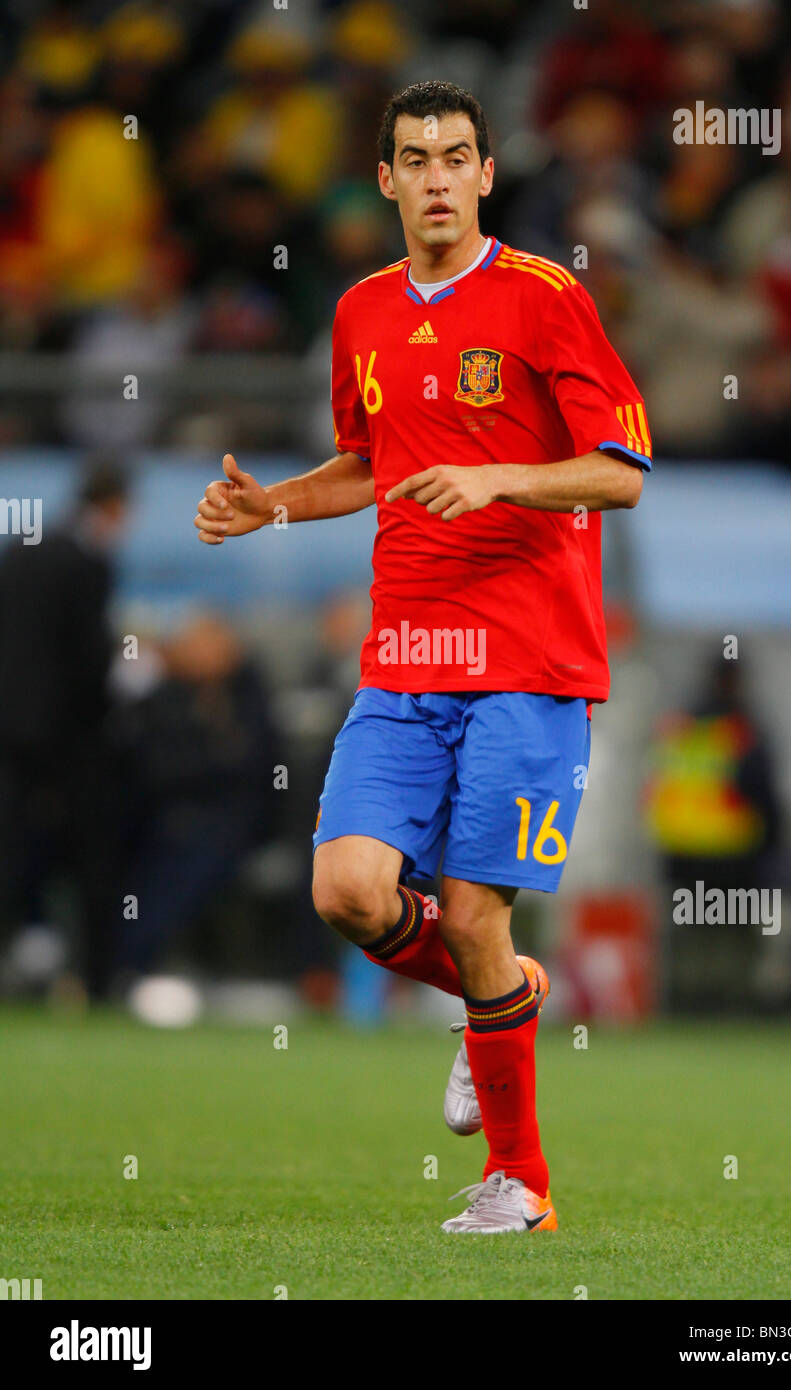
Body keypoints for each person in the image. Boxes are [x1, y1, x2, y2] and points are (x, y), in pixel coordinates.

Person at [193, 81, 650, 1234]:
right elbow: (368, 461)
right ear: (386, 180)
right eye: (414, 158)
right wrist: (276, 509)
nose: (437, 177)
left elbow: (625, 470)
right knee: (347, 890)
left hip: (530, 660)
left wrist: (505, 476)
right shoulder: (358, 313)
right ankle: (497, 1005)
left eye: (457, 156)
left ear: (487, 175)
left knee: (471, 910)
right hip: (404, 655)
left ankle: (521, 1185)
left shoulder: (547, 301)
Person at [0, 457, 129, 1000]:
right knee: (94, 857)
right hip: (68, 740)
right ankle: (96, 979)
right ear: (115, 506)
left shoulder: (18, 554)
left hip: (8, 733)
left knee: (9, 851)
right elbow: (90, 661)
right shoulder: (88, 563)